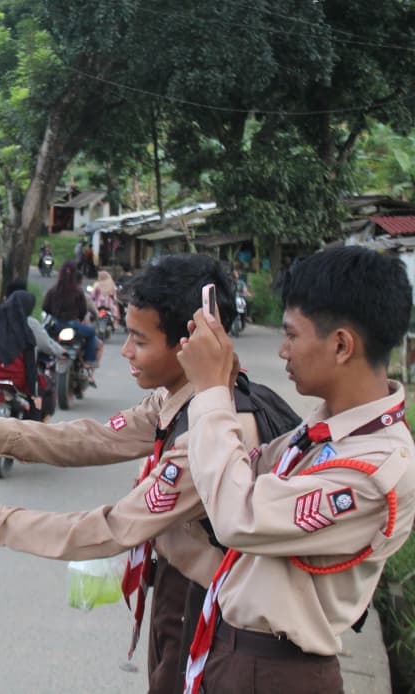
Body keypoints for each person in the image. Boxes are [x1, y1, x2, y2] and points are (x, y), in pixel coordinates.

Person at [0, 254, 260, 694]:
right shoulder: (177, 398)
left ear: (193, 342)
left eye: (139, 340)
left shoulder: (210, 428)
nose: (127, 352)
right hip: (179, 592)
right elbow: (95, 438)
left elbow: (111, 528)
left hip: (206, 609)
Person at [178, 246, 415, 694]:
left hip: (275, 674)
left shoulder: (373, 470)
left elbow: (238, 514)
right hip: (240, 656)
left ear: (342, 345)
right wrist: (221, 393)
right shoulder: (331, 428)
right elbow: (247, 469)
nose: (282, 350)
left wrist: (209, 392)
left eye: (291, 335)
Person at [0, 289, 49, 421]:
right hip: (16, 382)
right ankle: (32, 437)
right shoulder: (26, 332)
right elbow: (30, 368)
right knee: (36, 408)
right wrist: (34, 395)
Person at [42, 259, 102, 383]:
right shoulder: (78, 292)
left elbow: (45, 307)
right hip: (73, 325)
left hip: (57, 325)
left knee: (45, 338)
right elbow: (83, 311)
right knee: (91, 333)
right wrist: (79, 318)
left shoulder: (53, 290)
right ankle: (88, 362)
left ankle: (45, 360)